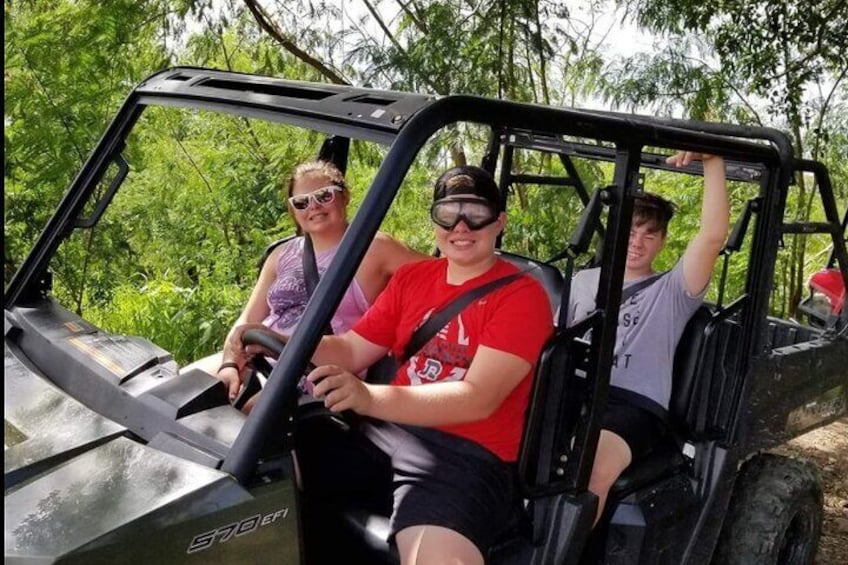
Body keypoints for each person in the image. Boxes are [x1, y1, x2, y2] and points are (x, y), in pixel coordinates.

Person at [231, 165, 554, 565]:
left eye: (476, 213)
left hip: (463, 455)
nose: (462, 227)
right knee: (265, 472)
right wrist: (281, 343)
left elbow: (478, 398)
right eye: (449, 214)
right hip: (385, 433)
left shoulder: (522, 297)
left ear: (499, 221)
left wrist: (368, 396)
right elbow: (351, 350)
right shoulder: (414, 279)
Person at [565, 151, 729, 524]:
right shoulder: (582, 282)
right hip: (575, 392)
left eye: (649, 234)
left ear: (662, 242)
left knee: (590, 469)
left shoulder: (671, 291)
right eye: (630, 231)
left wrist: (712, 161)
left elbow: (712, 235)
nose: (637, 242)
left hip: (633, 406)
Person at [186, 159, 427, 410]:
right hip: (259, 357)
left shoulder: (375, 248)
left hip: (315, 372)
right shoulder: (281, 254)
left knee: (235, 416)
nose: (313, 206)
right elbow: (247, 318)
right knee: (178, 389)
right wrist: (229, 364)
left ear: (344, 196)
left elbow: (447, 275)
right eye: (301, 202)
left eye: (324, 196)